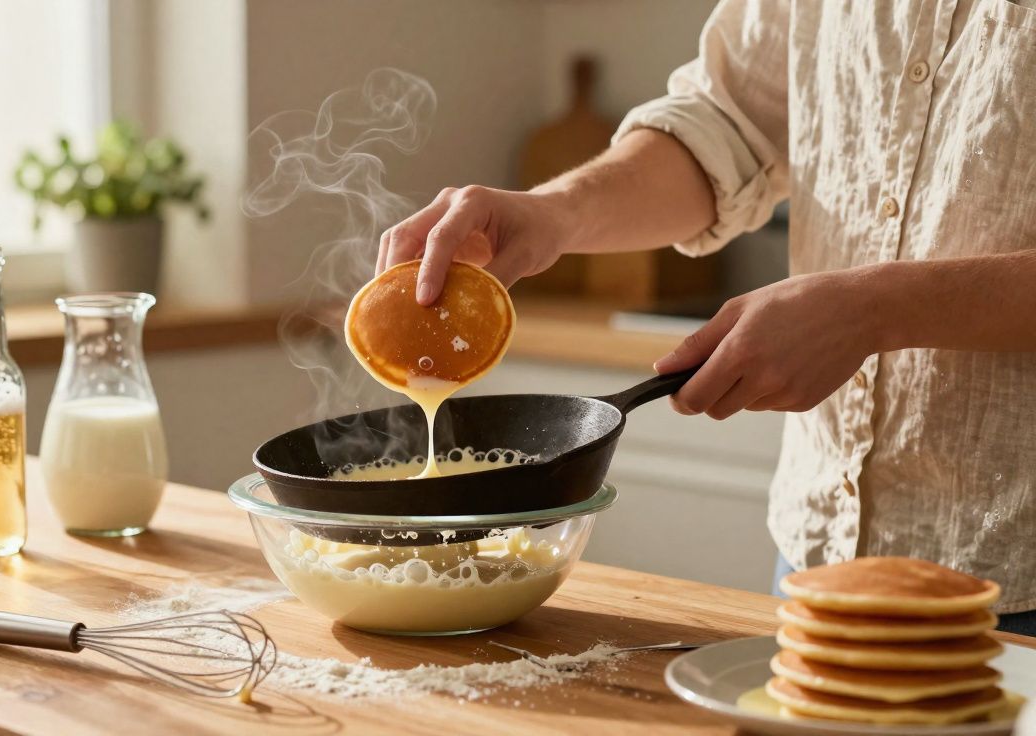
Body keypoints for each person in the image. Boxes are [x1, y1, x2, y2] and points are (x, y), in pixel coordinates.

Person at [378, 0, 1036, 634]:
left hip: (1017, 566)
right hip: (819, 555)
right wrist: (556, 210)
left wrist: (875, 309)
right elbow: (725, 127)